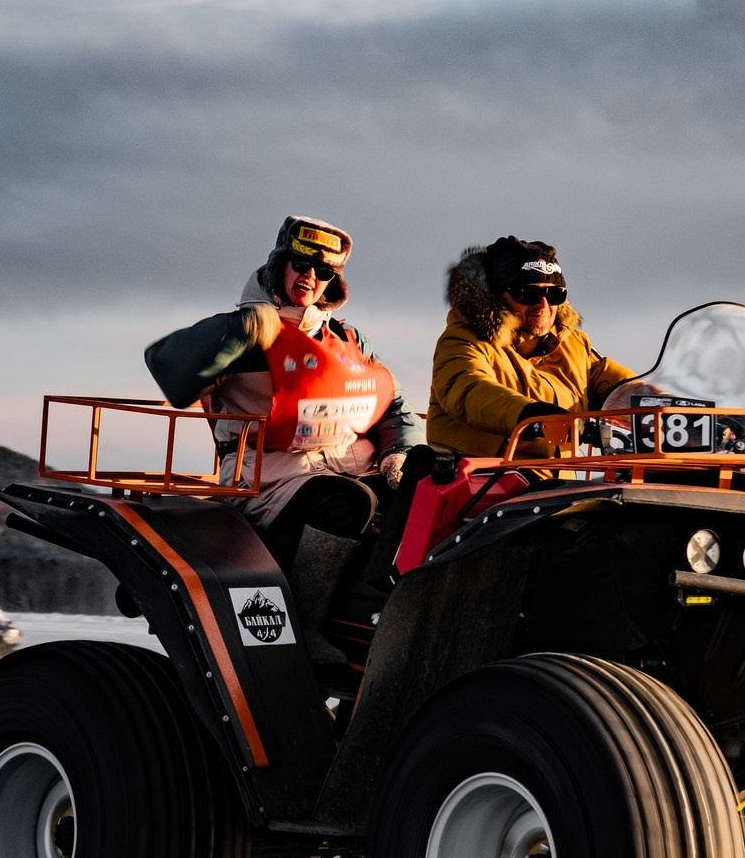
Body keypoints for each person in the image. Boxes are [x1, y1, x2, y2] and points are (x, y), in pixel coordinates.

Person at [145, 215, 421, 662]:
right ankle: (305, 627)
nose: (311, 277)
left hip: (346, 464)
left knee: (423, 490)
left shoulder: (348, 339)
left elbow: (394, 405)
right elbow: (168, 367)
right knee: (347, 502)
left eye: (325, 271)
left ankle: (388, 617)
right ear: (279, 265)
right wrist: (238, 332)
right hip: (266, 477)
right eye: (300, 264)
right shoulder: (243, 332)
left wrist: (399, 452)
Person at [428, 236, 634, 456]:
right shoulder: (463, 341)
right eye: (528, 294)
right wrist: (531, 415)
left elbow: (619, 386)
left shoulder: (572, 344)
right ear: (496, 295)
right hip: (484, 481)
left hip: (558, 484)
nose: (543, 305)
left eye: (555, 294)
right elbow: (467, 388)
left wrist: (665, 407)